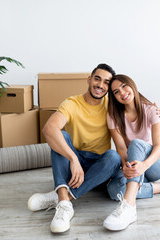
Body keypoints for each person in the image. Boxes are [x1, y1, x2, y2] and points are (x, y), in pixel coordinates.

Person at [27, 63, 122, 233]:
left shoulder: (111, 104)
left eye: (106, 82)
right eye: (97, 79)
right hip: (75, 166)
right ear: (89, 79)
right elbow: (49, 129)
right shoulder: (72, 103)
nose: (100, 85)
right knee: (60, 136)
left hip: (98, 169)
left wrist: (155, 111)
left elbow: (135, 104)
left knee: (113, 157)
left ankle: (62, 197)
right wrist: (73, 158)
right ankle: (65, 206)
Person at [103, 74, 160, 231]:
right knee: (113, 190)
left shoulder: (152, 110)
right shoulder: (113, 116)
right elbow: (120, 148)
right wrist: (127, 166)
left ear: (132, 85)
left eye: (124, 86)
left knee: (137, 144)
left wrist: (144, 165)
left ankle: (129, 206)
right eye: (116, 92)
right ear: (114, 97)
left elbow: (159, 146)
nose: (122, 92)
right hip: (135, 167)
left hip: (155, 163)